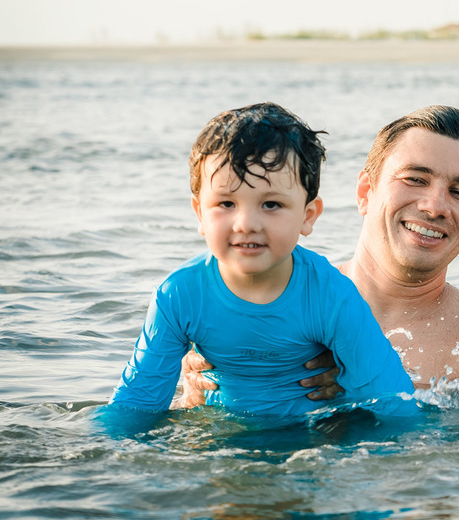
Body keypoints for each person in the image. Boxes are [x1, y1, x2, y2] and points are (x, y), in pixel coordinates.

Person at [177, 105, 459, 403]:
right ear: (365, 191)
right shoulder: (259, 302)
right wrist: (197, 397)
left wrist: (361, 392)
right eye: (415, 179)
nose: (435, 207)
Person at [108, 103, 415, 418]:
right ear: (199, 213)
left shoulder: (330, 296)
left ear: (307, 216)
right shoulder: (179, 296)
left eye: (270, 204)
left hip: (311, 440)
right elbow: (135, 407)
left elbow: (394, 403)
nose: (246, 223)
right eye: (226, 203)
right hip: (219, 442)